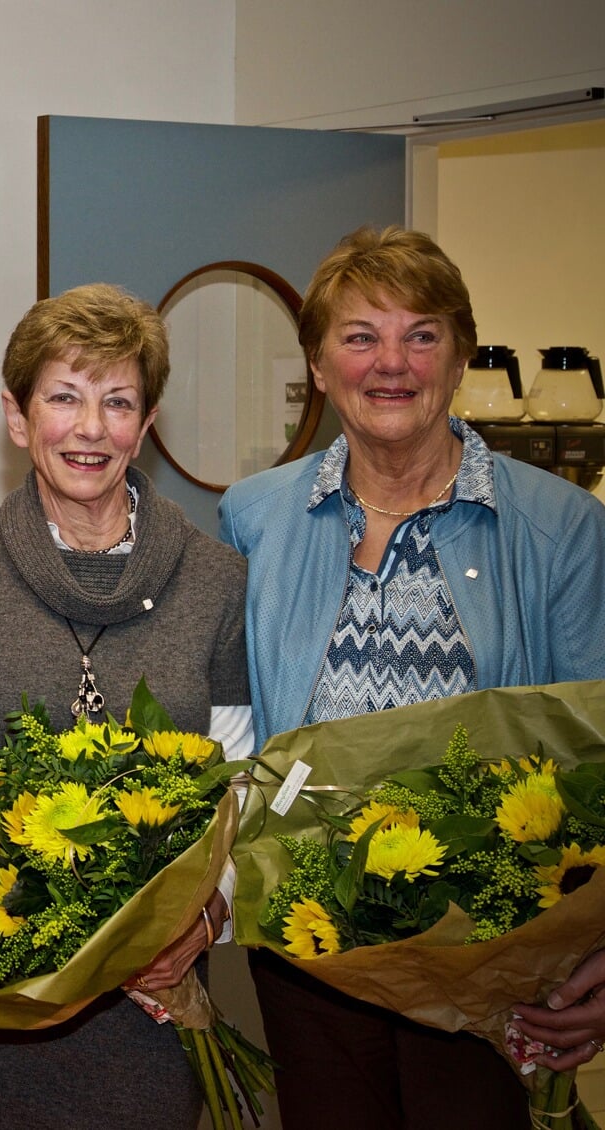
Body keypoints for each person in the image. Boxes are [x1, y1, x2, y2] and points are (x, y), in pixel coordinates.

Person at [220, 225, 605, 1129]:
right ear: (319, 364)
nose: (390, 363)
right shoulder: (255, 517)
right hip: (307, 957)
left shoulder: (560, 526)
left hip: (495, 959)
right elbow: (230, 729)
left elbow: (599, 762)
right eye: (360, 337)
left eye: (421, 334)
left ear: (460, 354)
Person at [0, 283, 251, 1129]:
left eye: (117, 401)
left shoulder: (215, 580)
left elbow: (239, 782)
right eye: (64, 396)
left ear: (147, 420)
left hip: (155, 998)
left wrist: (202, 922)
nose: (90, 428)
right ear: (18, 418)